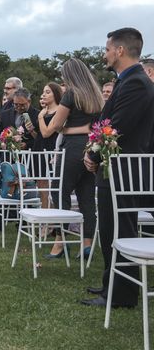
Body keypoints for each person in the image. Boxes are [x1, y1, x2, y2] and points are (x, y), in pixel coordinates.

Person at [83, 28, 154, 309]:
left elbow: (117, 127)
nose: (105, 54)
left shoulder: (136, 83)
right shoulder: (127, 80)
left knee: (119, 231)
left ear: (120, 50)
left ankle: (122, 295)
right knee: (111, 231)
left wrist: (94, 155)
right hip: (116, 169)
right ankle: (111, 284)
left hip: (123, 170)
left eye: (107, 48)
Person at [38, 59, 101, 258]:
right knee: (87, 197)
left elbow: (55, 125)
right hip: (92, 147)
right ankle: (87, 245)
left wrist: (65, 128)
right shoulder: (97, 95)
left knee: (60, 193)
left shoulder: (71, 94)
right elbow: (95, 126)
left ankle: (60, 243)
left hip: (72, 148)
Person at [33, 82, 63, 208]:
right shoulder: (44, 111)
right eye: (43, 92)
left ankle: (53, 220)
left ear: (55, 94)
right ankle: (45, 219)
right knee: (41, 185)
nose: (44, 95)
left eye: (47, 92)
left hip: (51, 149)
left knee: (52, 186)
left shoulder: (59, 111)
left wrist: (40, 117)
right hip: (39, 148)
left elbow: (46, 133)